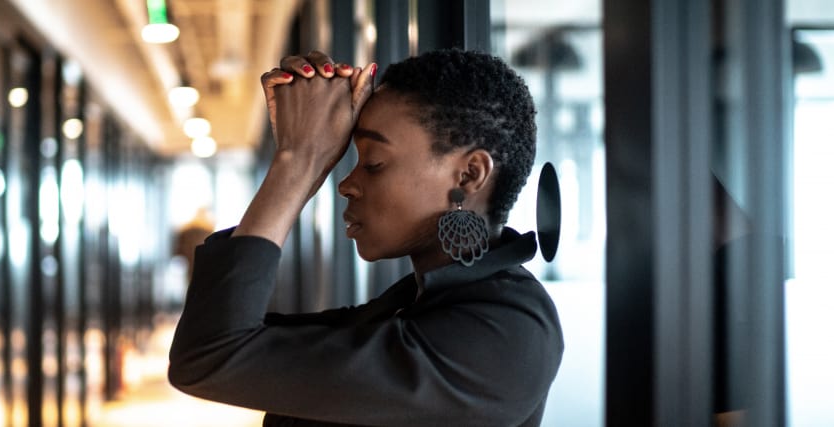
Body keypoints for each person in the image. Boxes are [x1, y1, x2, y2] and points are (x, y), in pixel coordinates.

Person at [168, 49, 564, 426]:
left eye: (373, 163)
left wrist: (299, 161)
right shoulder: (414, 301)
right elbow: (230, 340)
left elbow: (211, 355)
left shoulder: (507, 333)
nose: (347, 185)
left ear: (468, 175)